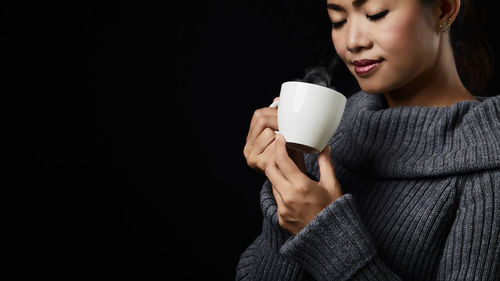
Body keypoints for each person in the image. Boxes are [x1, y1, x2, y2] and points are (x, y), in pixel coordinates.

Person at [236, 0, 500, 280]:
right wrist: (285, 196)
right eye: (338, 20)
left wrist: (325, 235)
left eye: (376, 14)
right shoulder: (332, 128)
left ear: (445, 9)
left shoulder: (488, 173)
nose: (352, 42)